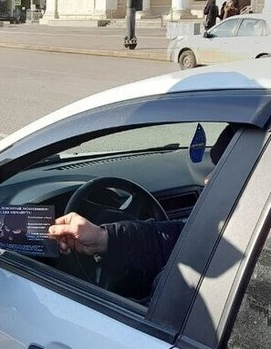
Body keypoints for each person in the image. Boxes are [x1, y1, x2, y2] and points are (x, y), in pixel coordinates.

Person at [48, 125, 234, 299]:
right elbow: (180, 242)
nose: (208, 179)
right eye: (215, 167)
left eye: (231, 170)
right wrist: (103, 238)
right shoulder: (240, 233)